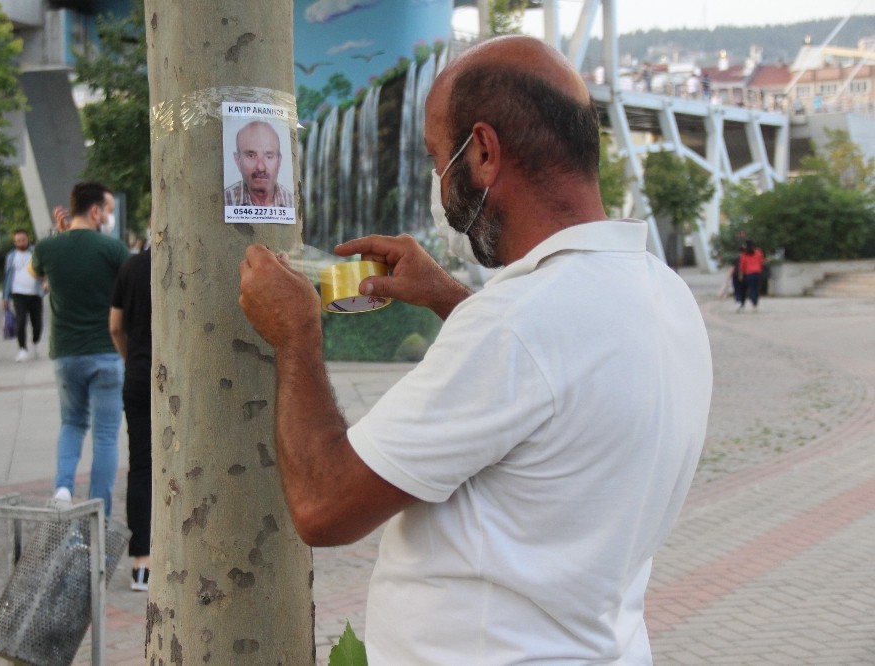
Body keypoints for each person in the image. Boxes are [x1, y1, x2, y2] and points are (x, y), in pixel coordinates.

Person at [238, 35, 713, 664]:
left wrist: (296, 335)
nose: (439, 183)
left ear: (483, 152)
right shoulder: (662, 295)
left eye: (439, 159)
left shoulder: (516, 327)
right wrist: (446, 295)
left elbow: (324, 508)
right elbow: (550, 386)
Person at [29, 182, 131, 514]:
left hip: (66, 353)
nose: (110, 217)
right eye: (109, 211)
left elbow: (34, 272)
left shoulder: (48, 248)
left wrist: (60, 235)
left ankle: (62, 489)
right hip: (106, 352)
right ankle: (99, 506)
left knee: (72, 423)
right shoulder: (113, 250)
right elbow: (130, 282)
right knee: (105, 435)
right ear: (95, 211)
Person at [109, 235, 152, 592]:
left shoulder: (131, 267)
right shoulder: (191, 263)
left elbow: (114, 326)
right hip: (182, 382)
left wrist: (131, 358)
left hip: (139, 377)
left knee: (141, 466)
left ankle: (142, 563)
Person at [223, 120, 295, 207]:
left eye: (269, 156)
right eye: (251, 156)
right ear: (237, 160)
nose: (261, 167)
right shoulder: (224, 201)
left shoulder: (292, 202)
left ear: (279, 162)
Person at [2, 229, 46, 362]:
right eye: (18, 241)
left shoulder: (35, 253)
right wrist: (5, 296)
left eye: (23, 240)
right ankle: (22, 349)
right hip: (18, 293)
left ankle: (35, 342)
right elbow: (7, 277)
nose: (21, 243)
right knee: (21, 321)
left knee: (37, 322)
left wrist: (45, 281)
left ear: (28, 239)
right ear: (14, 242)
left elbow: (44, 270)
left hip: (35, 293)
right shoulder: (11, 257)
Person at [738, 239, 766, 312]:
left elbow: (741, 266)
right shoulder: (758, 252)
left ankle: (753, 303)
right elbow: (762, 262)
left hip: (749, 274)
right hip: (757, 273)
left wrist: (740, 275)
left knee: (751, 289)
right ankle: (755, 304)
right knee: (756, 289)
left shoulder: (744, 254)